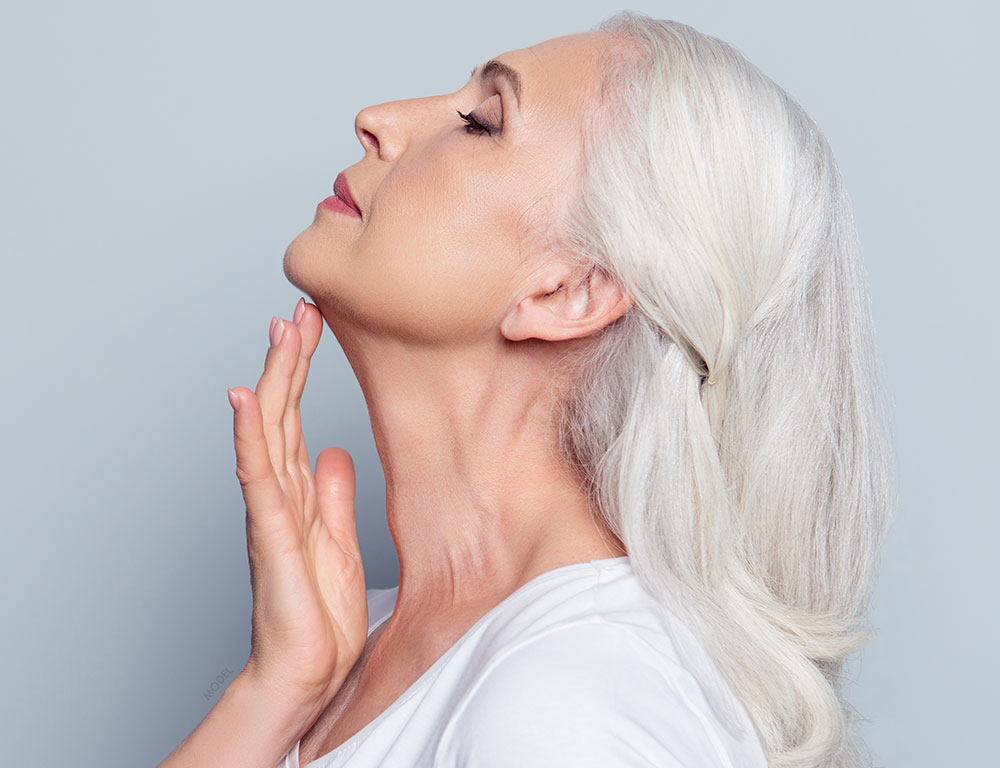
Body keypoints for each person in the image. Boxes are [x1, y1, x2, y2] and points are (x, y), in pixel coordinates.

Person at [159, 10, 894, 768]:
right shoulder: (357, 645)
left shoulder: (572, 710)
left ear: (572, 289)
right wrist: (271, 694)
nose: (376, 121)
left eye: (481, 121)